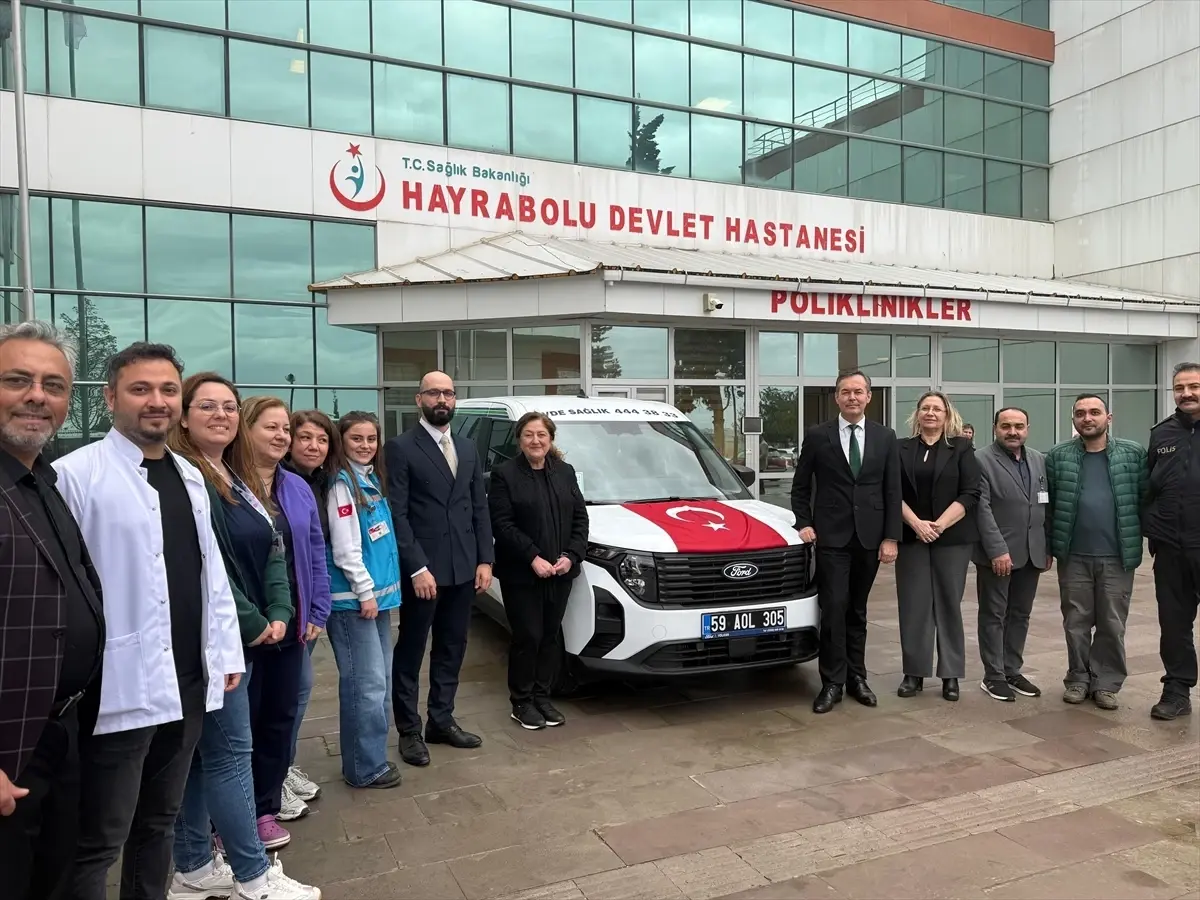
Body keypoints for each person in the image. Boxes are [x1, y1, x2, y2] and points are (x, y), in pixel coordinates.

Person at [53, 343, 244, 900]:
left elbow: (210, 573)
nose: (156, 401)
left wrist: (225, 651)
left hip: (187, 681)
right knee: (99, 838)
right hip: (116, 688)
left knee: (158, 823)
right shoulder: (75, 475)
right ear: (111, 397)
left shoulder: (188, 475)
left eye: (167, 390)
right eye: (140, 389)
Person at [166, 373, 319, 899]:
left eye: (229, 406)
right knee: (230, 754)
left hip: (250, 634)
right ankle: (253, 877)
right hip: (215, 640)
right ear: (185, 417)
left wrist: (281, 609)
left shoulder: (234, 475)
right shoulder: (185, 476)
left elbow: (275, 547)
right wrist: (255, 622)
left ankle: (192, 866)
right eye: (207, 406)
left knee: (204, 758)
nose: (221, 415)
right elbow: (208, 565)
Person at [0, 322, 104, 900]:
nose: (37, 396)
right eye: (18, 380)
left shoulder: (44, 479)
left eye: (54, 385)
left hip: (61, 731)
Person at [386, 371, 494, 765]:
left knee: (452, 647)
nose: (442, 400)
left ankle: (441, 720)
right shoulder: (400, 447)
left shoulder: (466, 447)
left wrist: (485, 559)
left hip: (464, 567)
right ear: (419, 399)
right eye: (434, 393)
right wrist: (416, 567)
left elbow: (478, 506)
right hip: (424, 572)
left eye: (448, 393)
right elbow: (397, 513)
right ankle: (409, 730)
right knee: (412, 649)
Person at [241, 397, 332, 833]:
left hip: (292, 619)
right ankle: (231, 813)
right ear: (246, 430)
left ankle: (265, 805)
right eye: (270, 427)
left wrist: (318, 607)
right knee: (244, 719)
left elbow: (315, 550)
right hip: (245, 624)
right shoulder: (224, 484)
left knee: (280, 714)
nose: (281, 436)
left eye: (284, 429)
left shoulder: (296, 486)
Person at [791, 370, 902, 714]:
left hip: (869, 537)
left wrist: (891, 537)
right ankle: (832, 682)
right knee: (834, 608)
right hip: (832, 536)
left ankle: (857, 678)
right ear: (836, 397)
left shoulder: (885, 437)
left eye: (858, 391)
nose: (852, 397)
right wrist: (804, 523)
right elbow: (801, 486)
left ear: (869, 396)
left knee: (857, 610)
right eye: (845, 392)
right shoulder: (817, 436)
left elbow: (893, 490)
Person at [1045, 394, 1147, 712]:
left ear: (1108, 417)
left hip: (1117, 556)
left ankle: (1106, 683)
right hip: (1074, 555)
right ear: (1074, 419)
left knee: (1112, 624)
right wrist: (1049, 546)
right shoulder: (1058, 456)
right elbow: (1049, 506)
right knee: (1075, 621)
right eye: (1080, 413)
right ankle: (1078, 678)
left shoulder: (1133, 454)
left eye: (1094, 412)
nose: (1087, 418)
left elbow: (1146, 499)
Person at [487, 412, 588, 730]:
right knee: (527, 636)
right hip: (521, 573)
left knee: (549, 636)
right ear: (519, 439)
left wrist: (572, 555)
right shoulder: (504, 474)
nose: (535, 440)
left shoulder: (565, 472)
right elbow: (502, 524)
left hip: (560, 572)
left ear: (550, 438)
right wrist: (532, 556)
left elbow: (580, 518)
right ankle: (521, 702)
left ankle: (542, 698)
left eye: (541, 434)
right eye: (529, 434)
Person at [326, 411, 403, 789]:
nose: (366, 445)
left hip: (374, 601)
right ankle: (363, 767)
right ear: (342, 441)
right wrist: (365, 592)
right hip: (355, 603)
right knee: (366, 686)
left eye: (371, 439)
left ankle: (372, 758)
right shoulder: (342, 484)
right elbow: (346, 549)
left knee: (380, 682)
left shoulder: (369, 479)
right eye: (357, 438)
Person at [895, 392, 980, 702]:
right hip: (912, 537)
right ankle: (913, 673)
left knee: (948, 605)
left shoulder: (961, 448)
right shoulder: (900, 448)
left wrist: (939, 525)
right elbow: (891, 491)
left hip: (952, 539)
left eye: (937, 409)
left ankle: (950, 674)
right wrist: (917, 524)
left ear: (947, 415)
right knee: (913, 606)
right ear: (917, 414)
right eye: (925, 408)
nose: (930, 413)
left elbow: (970, 493)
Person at [278, 409, 339, 816]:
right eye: (305, 437)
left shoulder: (319, 483)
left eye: (322, 439)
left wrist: (319, 606)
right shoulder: (278, 483)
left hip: (308, 608)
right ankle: (273, 774)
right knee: (288, 693)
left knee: (298, 691)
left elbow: (318, 549)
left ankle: (283, 765)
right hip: (283, 609)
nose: (314, 446)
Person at [974, 407, 1052, 702]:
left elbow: (1046, 506)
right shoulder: (980, 460)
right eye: (1006, 426)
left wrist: (1047, 548)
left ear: (1027, 428)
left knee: (1020, 615)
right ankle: (993, 675)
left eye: (1019, 426)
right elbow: (981, 509)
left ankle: (1012, 669)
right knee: (994, 615)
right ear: (995, 428)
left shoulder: (1039, 459)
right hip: (998, 554)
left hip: (1032, 552)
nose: (1013, 432)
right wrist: (997, 550)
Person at [1143, 362, 1200, 721]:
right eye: (1179, 388)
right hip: (1170, 547)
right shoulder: (1161, 433)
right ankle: (1177, 691)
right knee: (1174, 624)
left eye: (1194, 386)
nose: (1186, 393)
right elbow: (1150, 484)